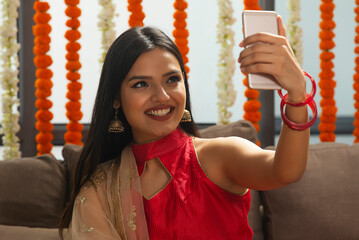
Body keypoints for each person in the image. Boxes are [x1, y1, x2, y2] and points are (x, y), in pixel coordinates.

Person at [59, 15, 312, 239]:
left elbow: (285, 171)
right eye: (141, 84)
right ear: (116, 97)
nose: (162, 96)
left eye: (172, 80)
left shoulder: (218, 157)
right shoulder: (100, 189)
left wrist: (297, 93)